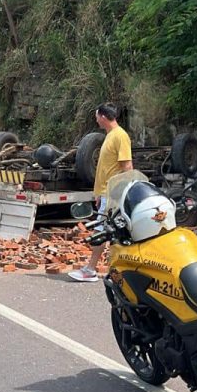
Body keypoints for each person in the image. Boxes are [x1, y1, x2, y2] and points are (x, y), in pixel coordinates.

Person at [69, 103, 133, 282]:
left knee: (101, 232)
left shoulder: (120, 136)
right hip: (106, 194)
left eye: (97, 116)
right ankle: (115, 271)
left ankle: (90, 269)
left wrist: (122, 194)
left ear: (103, 117)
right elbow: (105, 169)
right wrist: (98, 194)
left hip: (113, 194)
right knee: (110, 233)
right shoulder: (110, 136)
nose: (96, 120)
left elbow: (127, 166)